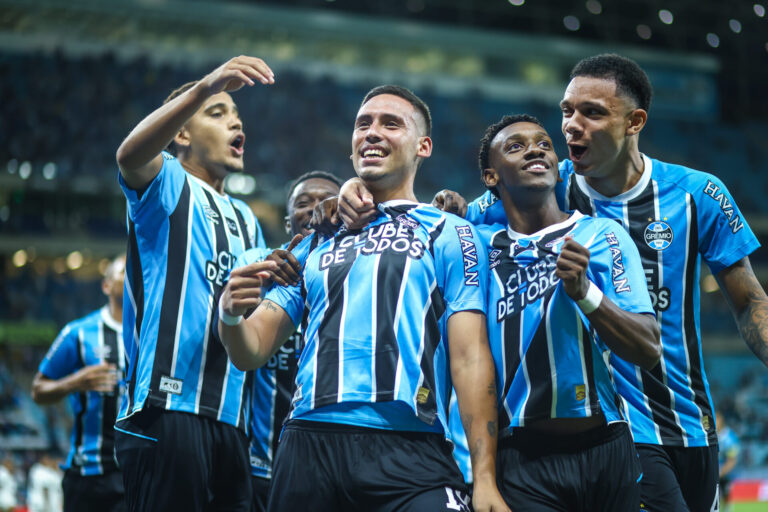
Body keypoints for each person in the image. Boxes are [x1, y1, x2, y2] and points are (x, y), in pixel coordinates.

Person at [342, 53, 764, 511]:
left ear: (634, 122)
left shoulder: (697, 194)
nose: (571, 127)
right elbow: (430, 219)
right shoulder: (540, 187)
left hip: (689, 422)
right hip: (616, 429)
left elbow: (748, 302)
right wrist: (351, 192)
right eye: (567, 111)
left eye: (592, 113)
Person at [219, 85, 509, 512]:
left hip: (410, 445)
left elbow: (470, 359)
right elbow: (251, 350)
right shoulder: (316, 239)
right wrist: (229, 316)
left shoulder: (450, 231)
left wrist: (484, 478)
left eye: (391, 124)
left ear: (423, 146)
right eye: (363, 124)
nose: (372, 132)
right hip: (308, 447)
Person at [473, 113, 659, 509]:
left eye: (544, 144)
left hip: (606, 450)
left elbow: (647, 348)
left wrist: (585, 293)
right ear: (491, 177)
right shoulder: (475, 247)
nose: (535, 151)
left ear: (559, 169)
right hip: (522, 460)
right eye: (516, 146)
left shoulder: (603, 235)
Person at [113, 56, 271, 512]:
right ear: (182, 134)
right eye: (217, 114)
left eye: (236, 117)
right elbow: (128, 156)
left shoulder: (247, 218)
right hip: (167, 410)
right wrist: (205, 87)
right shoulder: (167, 181)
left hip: (231, 419)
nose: (235, 123)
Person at [239, 171, 342, 512]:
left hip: (336, 460)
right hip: (263, 464)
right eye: (303, 202)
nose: (315, 208)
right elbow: (223, 331)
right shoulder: (257, 263)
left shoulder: (361, 272)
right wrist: (260, 280)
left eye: (326, 200)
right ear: (287, 222)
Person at [31, 256, 127, 512]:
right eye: (124, 271)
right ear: (106, 285)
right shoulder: (79, 332)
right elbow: (38, 390)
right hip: (87, 475)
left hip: (133, 473)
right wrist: (75, 382)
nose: (132, 276)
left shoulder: (152, 335)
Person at [716, 411, 741, 512]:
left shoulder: (729, 437)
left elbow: (732, 459)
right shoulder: (710, 435)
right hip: (712, 470)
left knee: (726, 493)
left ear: (721, 421)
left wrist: (721, 472)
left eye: (716, 420)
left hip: (724, 473)